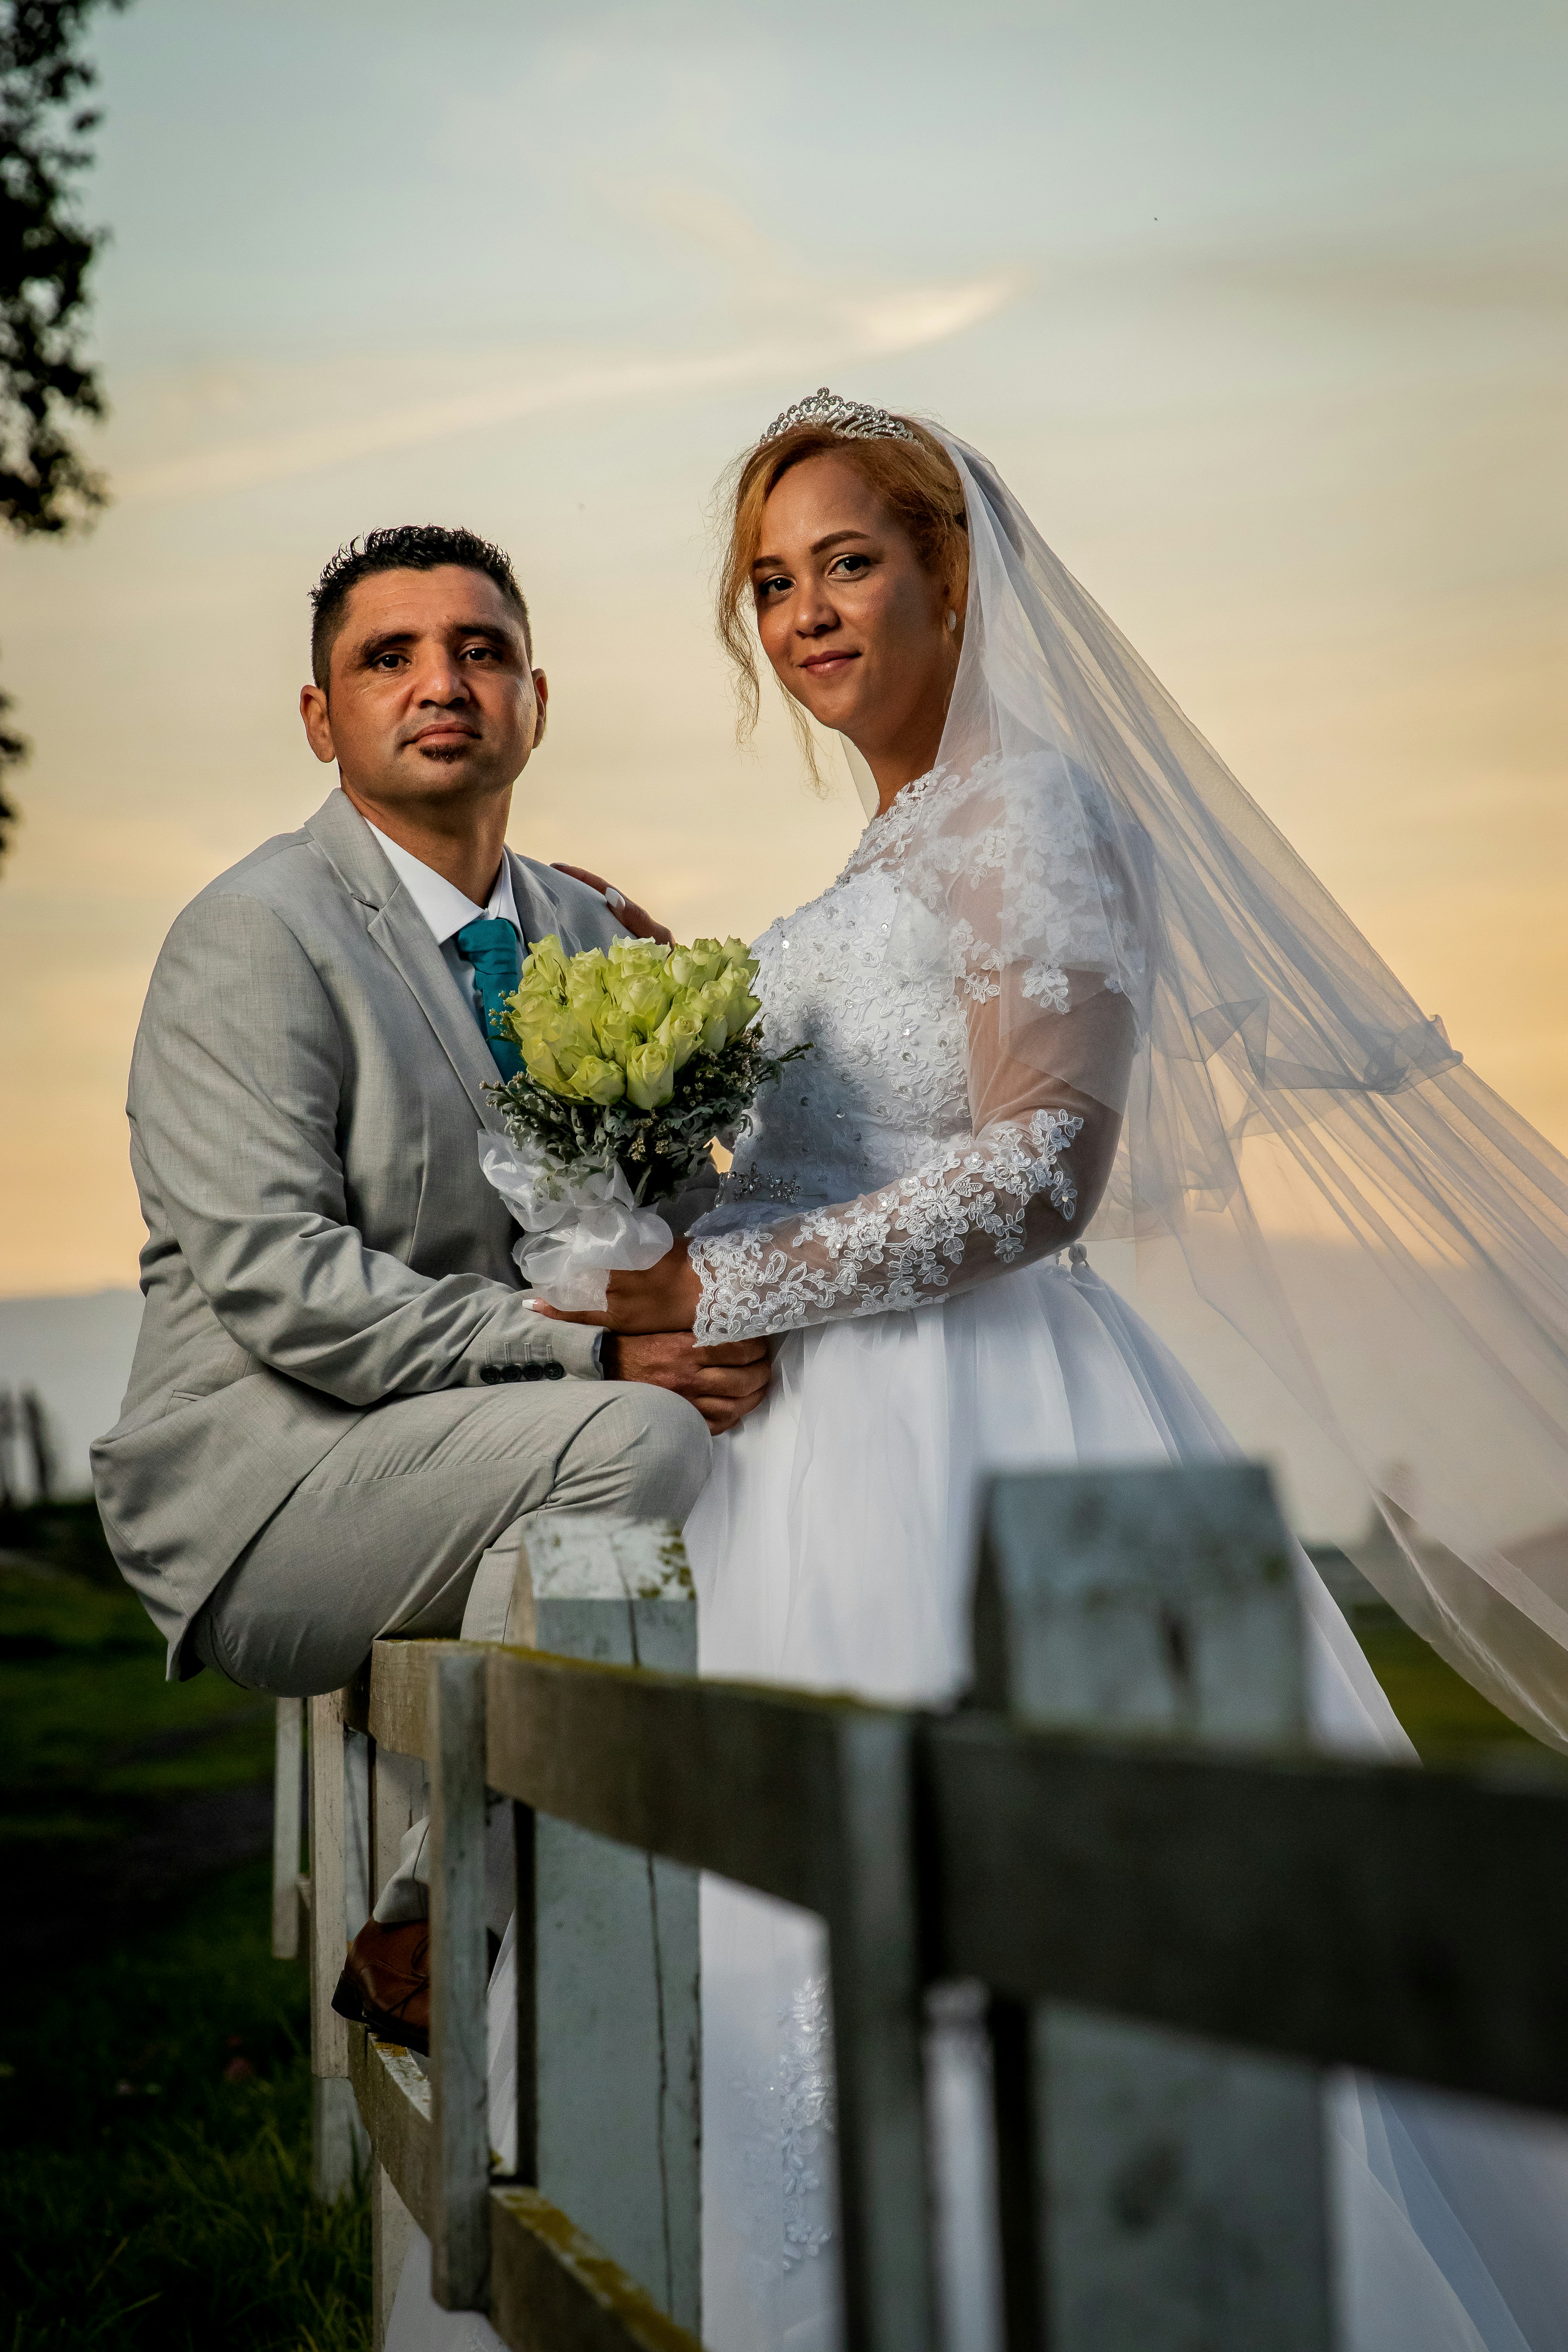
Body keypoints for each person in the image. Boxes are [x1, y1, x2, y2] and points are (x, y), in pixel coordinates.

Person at [537, 395, 1568, 2350]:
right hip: (809, 1453)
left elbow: (1039, 1168)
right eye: (771, 583)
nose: (807, 614)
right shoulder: (879, 861)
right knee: (792, 1936)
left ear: (954, 576)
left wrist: (717, 1278)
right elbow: (858, 1121)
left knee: (1022, 1950)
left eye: (848, 562)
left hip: (974, 1429)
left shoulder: (1038, 812)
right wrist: (663, 1041)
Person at [91, 523, 770, 2005]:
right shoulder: (252, 935)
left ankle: (764, 1951)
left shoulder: (591, 937)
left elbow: (665, 1221)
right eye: (386, 657)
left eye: (477, 650)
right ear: (322, 721)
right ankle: (435, 1913)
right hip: (272, 1491)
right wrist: (589, 1352)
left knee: (771, 1428)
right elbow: (279, 1278)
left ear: (535, 696)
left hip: (491, 1448)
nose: (438, 682)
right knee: (644, 1434)